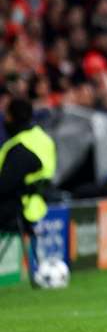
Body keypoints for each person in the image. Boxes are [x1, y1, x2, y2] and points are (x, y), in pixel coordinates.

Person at [0, 98, 56, 235]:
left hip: (16, 214)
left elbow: (5, 185)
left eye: (7, 115)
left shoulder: (20, 147)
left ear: (12, 117)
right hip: (38, 207)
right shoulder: (43, 138)